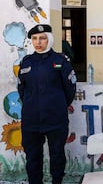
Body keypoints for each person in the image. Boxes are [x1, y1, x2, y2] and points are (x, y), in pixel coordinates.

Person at [17, 24, 77, 184]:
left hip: (55, 119)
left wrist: (57, 105)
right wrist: (32, 104)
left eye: (42, 38)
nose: (38, 42)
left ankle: (57, 181)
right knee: (32, 158)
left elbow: (70, 89)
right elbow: (21, 89)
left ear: (49, 39)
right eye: (35, 38)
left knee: (57, 156)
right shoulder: (26, 62)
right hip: (31, 121)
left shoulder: (60, 61)